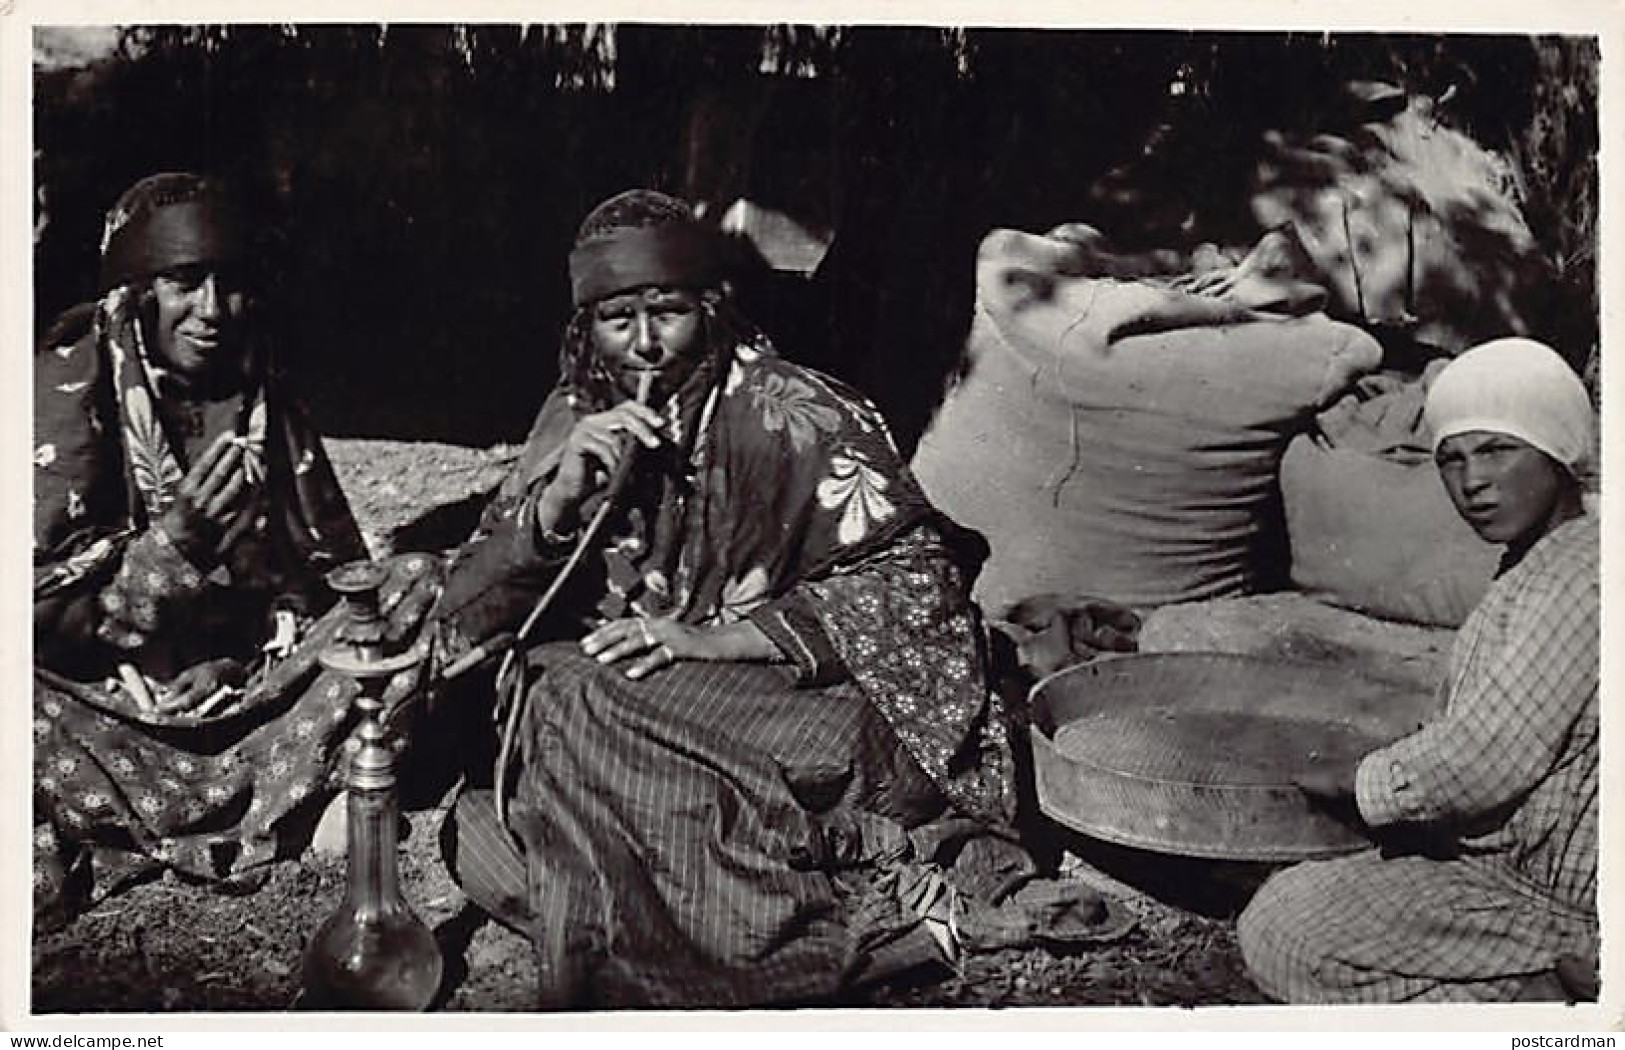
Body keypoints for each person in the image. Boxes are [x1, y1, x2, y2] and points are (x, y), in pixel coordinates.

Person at [425, 189, 1129, 1009]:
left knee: (561, 720)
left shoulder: (793, 411)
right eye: (620, 319)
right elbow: (470, 604)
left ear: (710, 308)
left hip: (817, 712)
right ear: (586, 327)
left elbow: (919, 584)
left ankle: (797, 907)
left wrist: (718, 642)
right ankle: (730, 887)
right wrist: (555, 501)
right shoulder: (574, 419)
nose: (647, 344)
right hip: (648, 706)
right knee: (546, 714)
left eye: (669, 313)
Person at [31, 172, 425, 925]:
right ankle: (289, 797)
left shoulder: (260, 393)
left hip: (241, 697)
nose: (212, 311)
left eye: (232, 284)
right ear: (136, 290)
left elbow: (323, 582)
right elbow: (32, 624)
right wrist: (168, 555)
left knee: (415, 588)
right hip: (107, 707)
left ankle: (227, 795)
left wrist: (235, 660)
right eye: (184, 281)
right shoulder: (62, 395)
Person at [1236, 336, 1599, 1003]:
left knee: (1284, 929)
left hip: (1551, 901)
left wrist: (1360, 780)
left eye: (1497, 450)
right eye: (1451, 460)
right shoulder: (1543, 559)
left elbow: (1489, 755)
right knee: (1296, 900)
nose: (1472, 482)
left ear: (1555, 450)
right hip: (1515, 864)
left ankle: (1549, 1004)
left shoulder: (1579, 574)